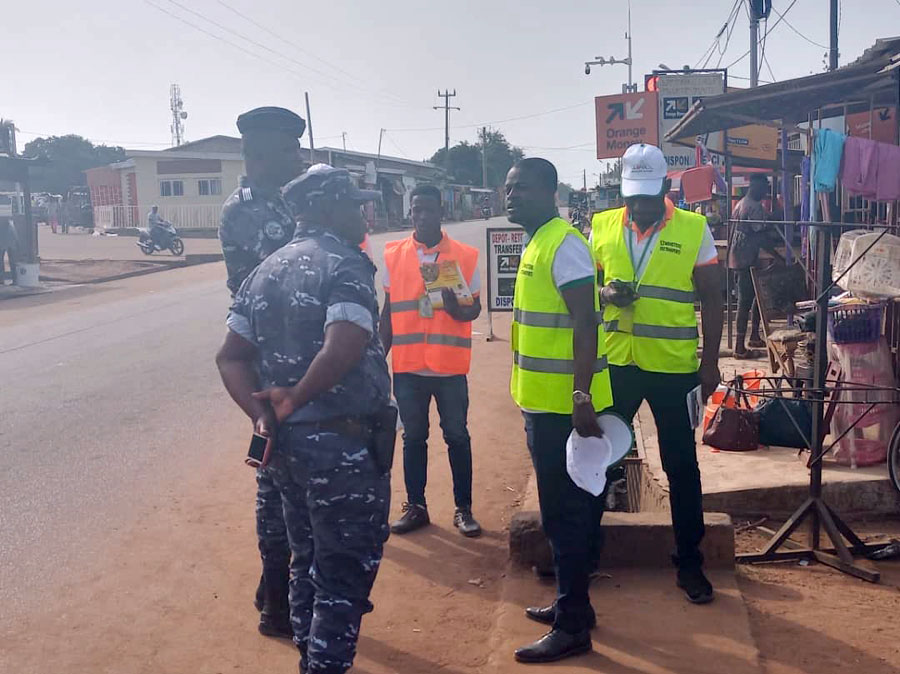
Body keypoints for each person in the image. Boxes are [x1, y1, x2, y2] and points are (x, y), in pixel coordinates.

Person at [216, 165, 389, 674]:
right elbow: (345, 342)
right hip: (341, 451)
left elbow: (230, 356)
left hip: (287, 453)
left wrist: (262, 416)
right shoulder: (345, 263)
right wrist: (294, 398)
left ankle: (308, 660)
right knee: (342, 576)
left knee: (306, 562)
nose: (363, 215)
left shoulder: (263, 271)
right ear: (326, 207)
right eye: (354, 204)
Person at [590, 143, 723, 605]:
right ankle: (583, 553)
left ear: (666, 186)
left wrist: (710, 362)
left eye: (648, 197)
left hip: (674, 368)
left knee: (681, 465)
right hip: (618, 363)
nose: (640, 207)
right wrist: (606, 294)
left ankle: (689, 562)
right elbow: (587, 289)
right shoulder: (602, 226)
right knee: (599, 457)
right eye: (632, 198)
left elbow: (713, 297)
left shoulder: (694, 228)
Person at [506, 158, 613, 664]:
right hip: (542, 403)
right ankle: (575, 606)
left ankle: (571, 626)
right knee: (566, 513)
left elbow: (585, 323)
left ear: (550, 192)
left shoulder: (563, 243)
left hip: (563, 409)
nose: (511, 197)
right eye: (508, 189)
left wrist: (580, 396)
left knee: (566, 515)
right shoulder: (537, 241)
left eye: (522, 189)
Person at [218, 105, 306, 639]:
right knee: (273, 476)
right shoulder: (246, 210)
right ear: (259, 154)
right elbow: (277, 284)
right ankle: (276, 604)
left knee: (292, 478)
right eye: (287, 149)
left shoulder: (293, 198)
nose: (297, 157)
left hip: (299, 357)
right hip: (269, 361)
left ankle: (274, 584)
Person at [379, 184, 482, 538]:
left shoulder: (464, 255)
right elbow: (387, 314)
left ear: (441, 211)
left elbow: (475, 309)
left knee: (457, 436)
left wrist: (457, 309)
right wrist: (377, 359)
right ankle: (416, 507)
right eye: (415, 209)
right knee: (413, 438)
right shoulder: (393, 255)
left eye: (428, 209)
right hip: (408, 368)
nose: (421, 216)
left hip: (449, 367)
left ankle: (463, 509)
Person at [729, 173, 779, 358]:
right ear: (756, 187)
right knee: (745, 302)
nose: (765, 193)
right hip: (746, 259)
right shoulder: (753, 207)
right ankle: (739, 348)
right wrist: (778, 256)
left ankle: (754, 336)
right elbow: (760, 237)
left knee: (758, 297)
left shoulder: (742, 203)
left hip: (740, 257)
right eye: (764, 189)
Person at [0, 218, 18, 285]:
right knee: (12, 262)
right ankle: (15, 279)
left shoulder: (9, 224)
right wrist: (17, 243)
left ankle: (2, 279)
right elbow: (15, 235)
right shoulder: (11, 224)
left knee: (2, 261)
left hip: (4, 243)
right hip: (10, 243)